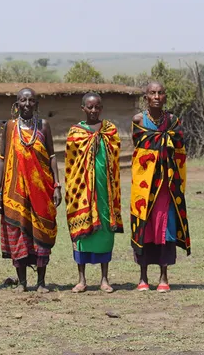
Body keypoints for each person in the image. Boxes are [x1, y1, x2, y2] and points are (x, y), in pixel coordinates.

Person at [0, 88, 61, 293]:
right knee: (18, 233)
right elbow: (3, 159)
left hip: (41, 190)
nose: (27, 104)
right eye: (23, 100)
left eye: (31, 100)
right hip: (15, 190)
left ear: (37, 104)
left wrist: (57, 185)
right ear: (17, 104)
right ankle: (21, 282)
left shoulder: (44, 126)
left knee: (41, 232)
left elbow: (51, 156)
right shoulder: (10, 127)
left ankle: (41, 283)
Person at [131, 81, 191, 292]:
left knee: (166, 228)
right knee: (145, 227)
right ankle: (143, 277)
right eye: (152, 93)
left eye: (160, 93)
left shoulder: (173, 121)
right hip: (145, 186)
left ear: (165, 96)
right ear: (146, 97)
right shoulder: (139, 120)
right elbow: (139, 153)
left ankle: (164, 277)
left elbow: (180, 151)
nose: (156, 96)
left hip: (167, 185)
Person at [65, 93, 124, 293]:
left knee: (105, 232)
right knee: (82, 235)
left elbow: (115, 160)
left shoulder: (110, 131)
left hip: (105, 190)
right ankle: (81, 279)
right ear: (83, 108)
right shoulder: (75, 133)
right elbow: (70, 165)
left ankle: (104, 279)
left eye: (97, 107)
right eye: (89, 107)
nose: (93, 111)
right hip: (81, 192)